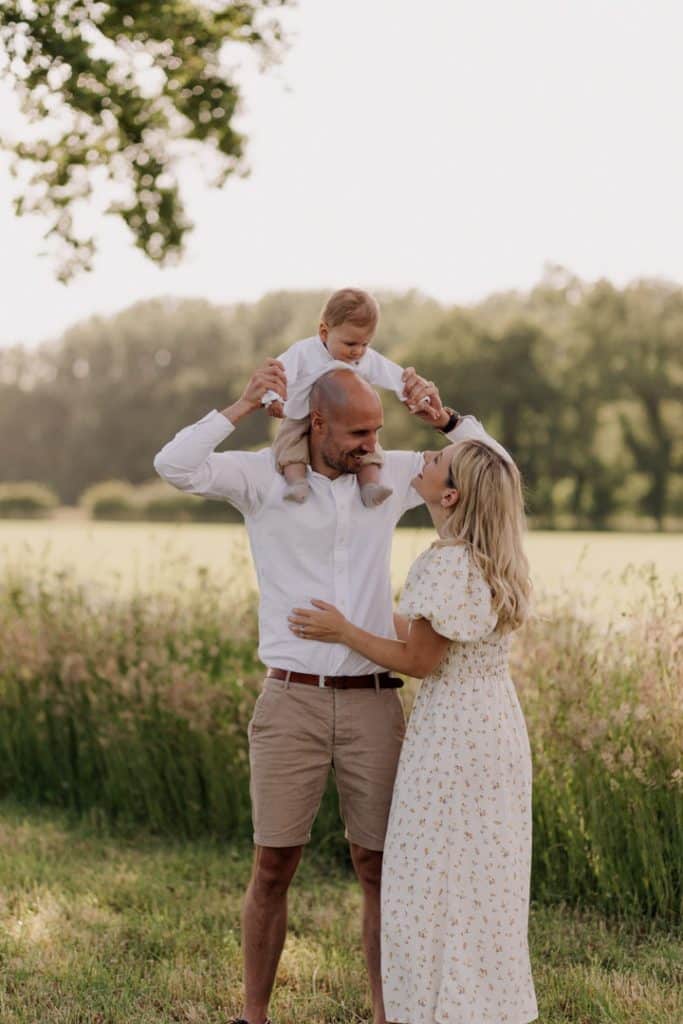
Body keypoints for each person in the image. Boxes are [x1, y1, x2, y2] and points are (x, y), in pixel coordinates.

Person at [152, 356, 505, 1024]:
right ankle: (252, 1017)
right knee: (272, 865)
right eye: (356, 434)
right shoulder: (260, 477)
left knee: (379, 871)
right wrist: (239, 404)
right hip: (291, 702)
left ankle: (385, 1015)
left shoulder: (391, 474)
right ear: (317, 423)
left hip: (375, 700)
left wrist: (447, 420)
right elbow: (174, 464)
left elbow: (494, 470)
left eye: (376, 431)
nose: (372, 444)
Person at [289, 439, 539, 1024]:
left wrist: (344, 631)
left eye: (434, 461)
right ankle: (479, 1003)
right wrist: (363, 616)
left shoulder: (447, 561)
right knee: (481, 876)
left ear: (449, 494)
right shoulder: (486, 556)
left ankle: (435, 1009)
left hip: (452, 734)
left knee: (429, 875)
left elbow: (421, 659)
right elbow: (433, 634)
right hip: (495, 724)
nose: (421, 459)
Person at [263, 286, 434, 506]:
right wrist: (273, 398)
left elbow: (392, 374)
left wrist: (416, 395)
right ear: (324, 332)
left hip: (345, 423)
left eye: (365, 344)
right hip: (301, 413)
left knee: (369, 449)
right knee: (288, 445)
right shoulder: (304, 352)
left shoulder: (365, 359)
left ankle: (370, 486)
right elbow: (279, 372)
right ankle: (297, 483)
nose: (358, 351)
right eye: (351, 344)